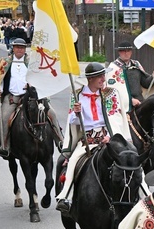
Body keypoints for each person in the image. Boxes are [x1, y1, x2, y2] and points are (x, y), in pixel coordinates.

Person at [56, 62, 131, 215]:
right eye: (100, 76)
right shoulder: (77, 95)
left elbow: (115, 117)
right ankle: (66, 197)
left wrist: (110, 137)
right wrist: (76, 114)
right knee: (73, 163)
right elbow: (73, 122)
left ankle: (143, 193)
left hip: (109, 138)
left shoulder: (111, 93)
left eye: (104, 75)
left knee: (130, 159)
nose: (104, 79)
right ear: (90, 79)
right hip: (87, 141)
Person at [0, 37, 64, 159]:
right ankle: (5, 146)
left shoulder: (32, 62)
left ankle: (60, 140)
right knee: (4, 118)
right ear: (13, 48)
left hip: (32, 96)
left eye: (22, 48)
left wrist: (33, 85)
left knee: (51, 113)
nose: (19, 50)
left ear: (25, 49)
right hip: (12, 97)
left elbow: (39, 78)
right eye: (17, 47)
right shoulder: (5, 62)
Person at [106, 41, 154, 110]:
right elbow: (113, 91)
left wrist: (153, 76)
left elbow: (146, 84)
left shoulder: (136, 65)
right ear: (119, 52)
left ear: (131, 52)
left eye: (128, 51)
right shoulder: (113, 68)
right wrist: (130, 100)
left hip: (140, 103)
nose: (126, 53)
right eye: (123, 51)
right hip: (123, 106)